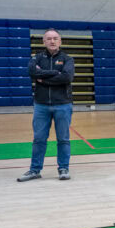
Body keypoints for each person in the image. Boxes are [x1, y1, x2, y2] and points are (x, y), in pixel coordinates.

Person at [18, 28, 75, 182]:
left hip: (63, 104)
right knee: (38, 139)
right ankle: (35, 170)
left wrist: (43, 77)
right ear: (43, 41)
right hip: (41, 105)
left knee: (63, 139)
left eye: (55, 38)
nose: (52, 41)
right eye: (49, 38)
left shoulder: (68, 59)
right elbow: (32, 72)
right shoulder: (36, 58)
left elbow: (67, 77)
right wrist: (55, 73)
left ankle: (63, 168)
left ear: (60, 41)